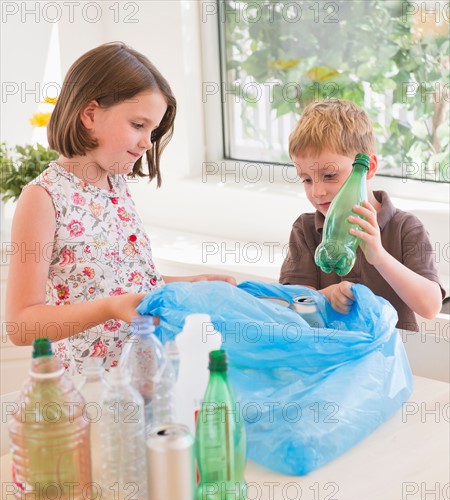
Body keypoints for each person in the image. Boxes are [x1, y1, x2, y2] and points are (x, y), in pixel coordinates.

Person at [6, 42, 235, 372]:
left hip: (144, 374)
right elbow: (21, 325)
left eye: (153, 131)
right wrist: (111, 308)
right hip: (89, 388)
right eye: (138, 125)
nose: (147, 142)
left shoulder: (116, 185)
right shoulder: (43, 199)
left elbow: (126, 284)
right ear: (90, 114)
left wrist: (186, 284)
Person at [279, 99, 445, 331]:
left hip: (389, 360)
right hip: (329, 356)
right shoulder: (305, 229)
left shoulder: (406, 228)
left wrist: (379, 257)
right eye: (306, 179)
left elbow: (430, 307)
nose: (317, 191)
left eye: (329, 175)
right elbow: (290, 303)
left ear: (368, 167)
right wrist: (328, 295)